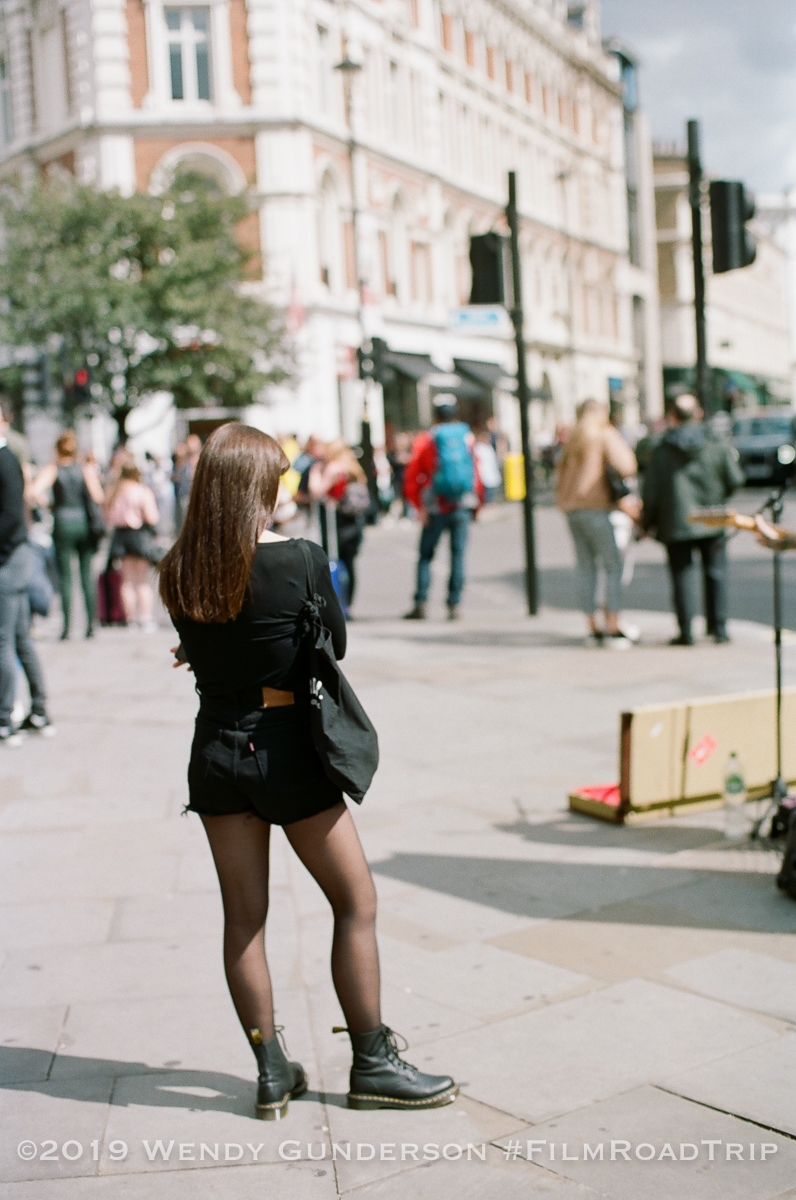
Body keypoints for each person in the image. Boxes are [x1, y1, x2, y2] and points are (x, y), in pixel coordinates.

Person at [158, 424, 457, 1119]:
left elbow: (206, 642)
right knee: (355, 902)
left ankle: (271, 1072)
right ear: (258, 488)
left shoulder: (179, 567)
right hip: (287, 747)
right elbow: (335, 645)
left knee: (244, 920)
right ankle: (373, 1064)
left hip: (216, 751)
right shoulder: (298, 558)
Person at [642, 393, 744, 645]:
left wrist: (647, 523)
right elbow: (735, 479)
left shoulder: (662, 449)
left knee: (682, 575)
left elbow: (651, 492)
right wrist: (718, 497)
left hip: (677, 519)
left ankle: (686, 631)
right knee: (715, 572)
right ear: (697, 413)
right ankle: (719, 628)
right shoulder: (715, 442)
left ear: (672, 416)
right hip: (713, 518)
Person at [556, 399, 639, 647]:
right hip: (595, 507)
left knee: (585, 567)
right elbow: (627, 466)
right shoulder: (603, 434)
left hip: (572, 509)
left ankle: (592, 626)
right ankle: (613, 624)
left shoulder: (572, 438)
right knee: (613, 565)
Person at [403, 396, 483, 621]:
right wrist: (478, 502)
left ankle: (421, 602)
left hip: (435, 506)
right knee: (458, 555)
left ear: (435, 415)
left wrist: (418, 506)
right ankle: (454, 604)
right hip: (462, 504)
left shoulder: (427, 439)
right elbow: (476, 471)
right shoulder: (467, 437)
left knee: (426, 556)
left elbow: (412, 475)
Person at [0, 399, 52, 743]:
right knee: (19, 638)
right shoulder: (8, 459)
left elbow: (10, 517)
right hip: (14, 556)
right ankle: (39, 711)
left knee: (4, 640)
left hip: (8, 559)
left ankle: (5, 718)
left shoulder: (4, 460)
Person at [29, 431, 104, 640]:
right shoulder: (84, 469)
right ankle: (91, 625)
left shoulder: (53, 469)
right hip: (84, 523)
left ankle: (67, 627)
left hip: (62, 522)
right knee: (87, 574)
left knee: (65, 577)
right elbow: (98, 496)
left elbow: (33, 492)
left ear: (57, 449)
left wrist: (51, 505)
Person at [309, 439, 370, 610]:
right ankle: (348, 602)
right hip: (353, 522)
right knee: (349, 563)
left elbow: (316, 491)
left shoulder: (334, 468)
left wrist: (315, 472)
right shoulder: (353, 468)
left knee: (333, 560)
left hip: (336, 524)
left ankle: (337, 600)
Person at [105, 463, 160, 631]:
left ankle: (130, 619)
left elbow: (108, 516)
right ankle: (145, 618)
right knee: (142, 580)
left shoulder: (115, 492)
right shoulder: (142, 491)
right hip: (139, 535)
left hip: (121, 536)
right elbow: (152, 517)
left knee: (127, 581)